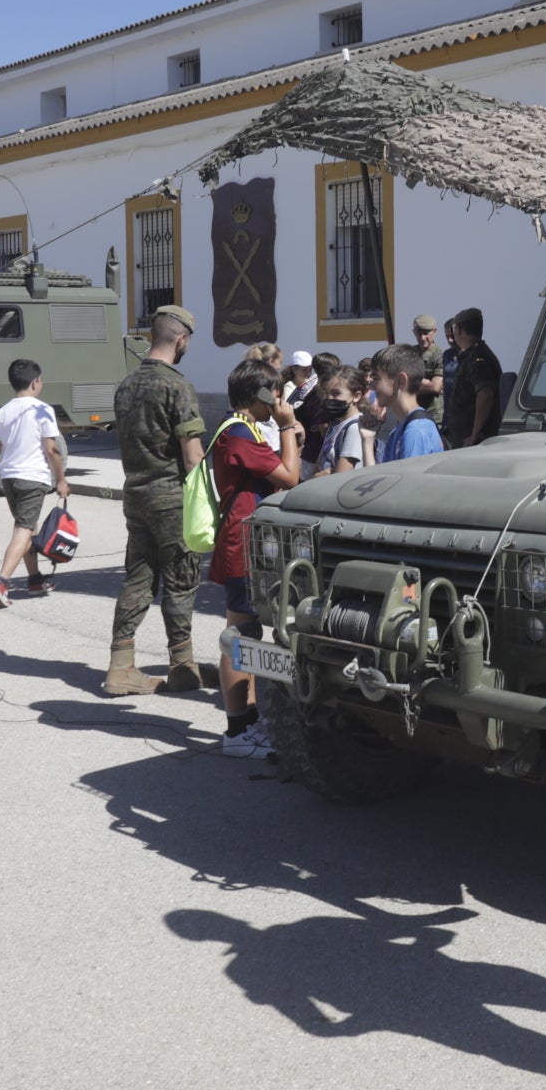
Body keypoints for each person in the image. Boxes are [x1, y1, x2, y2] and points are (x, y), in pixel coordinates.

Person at [104, 306, 209, 696]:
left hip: (136, 495)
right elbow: (193, 455)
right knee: (181, 582)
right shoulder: (177, 385)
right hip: (171, 499)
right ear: (181, 339)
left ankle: (120, 666)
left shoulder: (126, 384)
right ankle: (182, 666)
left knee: (138, 578)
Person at [209, 357, 304, 757]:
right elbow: (289, 477)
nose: (280, 398)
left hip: (244, 542)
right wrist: (285, 425)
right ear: (262, 395)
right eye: (275, 392)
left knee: (241, 632)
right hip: (245, 547)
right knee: (242, 636)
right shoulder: (240, 434)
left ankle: (246, 722)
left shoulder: (239, 430)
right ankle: (238, 731)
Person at [0, 358, 69, 608]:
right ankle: (1, 582)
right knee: (23, 530)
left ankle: (34, 580)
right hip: (33, 477)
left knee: (27, 528)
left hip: (9, 479)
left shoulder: (3, 410)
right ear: (35, 382)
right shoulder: (42, 410)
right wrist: (61, 479)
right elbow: (51, 449)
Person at [373, 344, 445, 463]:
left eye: (376, 378)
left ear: (401, 380)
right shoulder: (398, 430)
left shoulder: (416, 430)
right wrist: (368, 439)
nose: (371, 385)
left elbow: (408, 480)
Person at [446, 307, 503, 449]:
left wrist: (475, 433)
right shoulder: (472, 354)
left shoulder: (478, 358)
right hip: (465, 441)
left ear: (458, 330)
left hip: (475, 443)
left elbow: (485, 394)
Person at [311, 365, 369, 477]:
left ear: (356, 396)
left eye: (336, 393)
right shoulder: (335, 425)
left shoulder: (354, 428)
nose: (329, 398)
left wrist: (315, 479)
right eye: (326, 392)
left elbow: (341, 476)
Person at [296, 351, 341, 465]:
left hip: (310, 454)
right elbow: (324, 429)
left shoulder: (311, 389)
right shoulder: (320, 395)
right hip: (316, 457)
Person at [412, 314, 446, 436]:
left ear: (435, 331)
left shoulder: (439, 355)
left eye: (426, 333)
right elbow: (399, 382)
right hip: (412, 412)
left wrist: (411, 385)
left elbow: (435, 387)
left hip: (433, 415)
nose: (422, 337)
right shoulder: (409, 354)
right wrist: (426, 382)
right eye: (419, 333)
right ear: (414, 332)